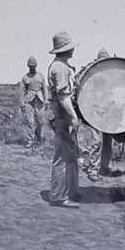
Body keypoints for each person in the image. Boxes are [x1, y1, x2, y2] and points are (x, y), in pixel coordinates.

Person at [45, 31, 83, 207]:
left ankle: (72, 191)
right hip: (63, 116)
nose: (73, 49)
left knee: (71, 154)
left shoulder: (61, 66)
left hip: (62, 115)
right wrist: (74, 117)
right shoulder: (60, 68)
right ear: (66, 49)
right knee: (62, 156)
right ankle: (59, 196)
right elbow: (63, 96)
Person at [18, 55, 47, 149]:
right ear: (28, 66)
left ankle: (39, 140)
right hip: (28, 101)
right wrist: (22, 104)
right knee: (30, 122)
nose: (32, 68)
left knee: (40, 121)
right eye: (31, 66)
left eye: (34, 66)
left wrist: (46, 100)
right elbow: (22, 92)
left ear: (36, 66)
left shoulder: (41, 76)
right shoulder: (25, 78)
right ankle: (30, 141)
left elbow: (45, 89)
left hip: (39, 100)